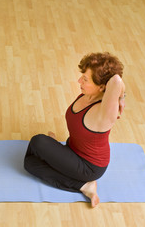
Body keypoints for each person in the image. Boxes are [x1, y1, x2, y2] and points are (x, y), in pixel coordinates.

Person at [24, 52, 126, 208]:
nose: (79, 81)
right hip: (72, 149)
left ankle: (85, 186)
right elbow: (114, 82)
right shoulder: (88, 95)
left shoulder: (104, 114)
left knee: (38, 142)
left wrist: (121, 95)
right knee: (29, 164)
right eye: (82, 76)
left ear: (102, 86)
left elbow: (117, 80)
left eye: (85, 79)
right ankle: (58, 152)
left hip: (89, 167)